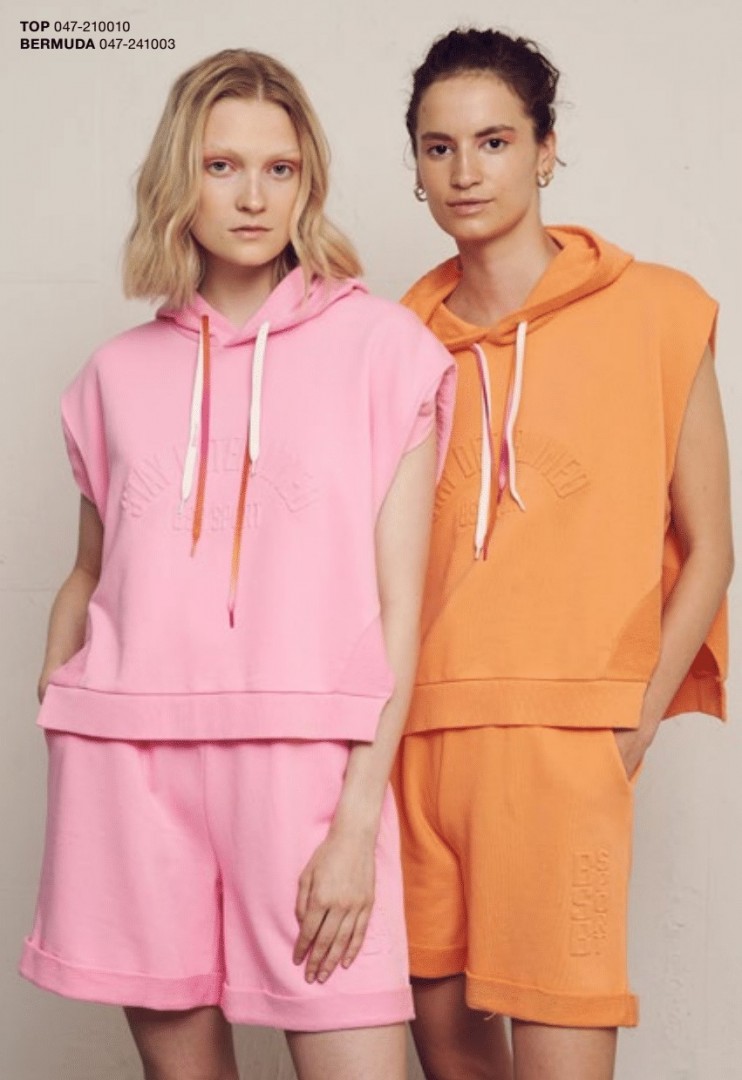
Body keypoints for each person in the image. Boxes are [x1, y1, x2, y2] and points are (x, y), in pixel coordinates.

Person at [19, 48, 455, 1080]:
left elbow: (402, 609)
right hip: (128, 766)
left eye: (279, 168)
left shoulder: (385, 351)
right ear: (181, 178)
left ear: (308, 182)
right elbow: (91, 569)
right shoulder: (112, 376)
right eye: (222, 167)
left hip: (308, 770)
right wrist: (60, 692)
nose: (253, 197)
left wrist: (357, 819)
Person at [393, 27, 732, 1080]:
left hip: (564, 738)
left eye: (493, 141)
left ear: (545, 150)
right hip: (413, 738)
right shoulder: (394, 341)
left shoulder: (659, 310)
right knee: (446, 1053)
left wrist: (631, 722)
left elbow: (711, 546)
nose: (465, 171)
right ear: (415, 166)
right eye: (439, 147)